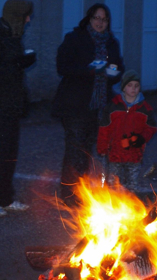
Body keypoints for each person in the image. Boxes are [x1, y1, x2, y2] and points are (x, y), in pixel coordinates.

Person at [52, 3, 124, 206]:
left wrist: (113, 71)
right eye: (96, 18)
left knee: (86, 150)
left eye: (104, 19)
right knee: (75, 147)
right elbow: (63, 67)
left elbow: (119, 66)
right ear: (89, 19)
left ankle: (77, 191)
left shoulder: (111, 42)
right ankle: (68, 193)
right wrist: (90, 70)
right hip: (75, 104)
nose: (100, 23)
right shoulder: (75, 39)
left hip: (98, 105)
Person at [0, 0, 36, 217]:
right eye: (26, 16)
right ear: (16, 15)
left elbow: (12, 69)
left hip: (10, 107)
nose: (28, 20)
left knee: (9, 154)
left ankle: (6, 198)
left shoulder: (14, 34)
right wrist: (18, 63)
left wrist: (22, 62)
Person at [97, 70, 157, 191]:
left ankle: (130, 208)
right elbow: (104, 129)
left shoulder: (145, 108)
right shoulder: (113, 106)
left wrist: (142, 138)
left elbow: (151, 128)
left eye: (136, 86)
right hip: (115, 154)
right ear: (123, 88)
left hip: (134, 155)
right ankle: (112, 208)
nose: (133, 89)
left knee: (131, 187)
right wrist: (102, 148)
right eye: (129, 85)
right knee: (113, 186)